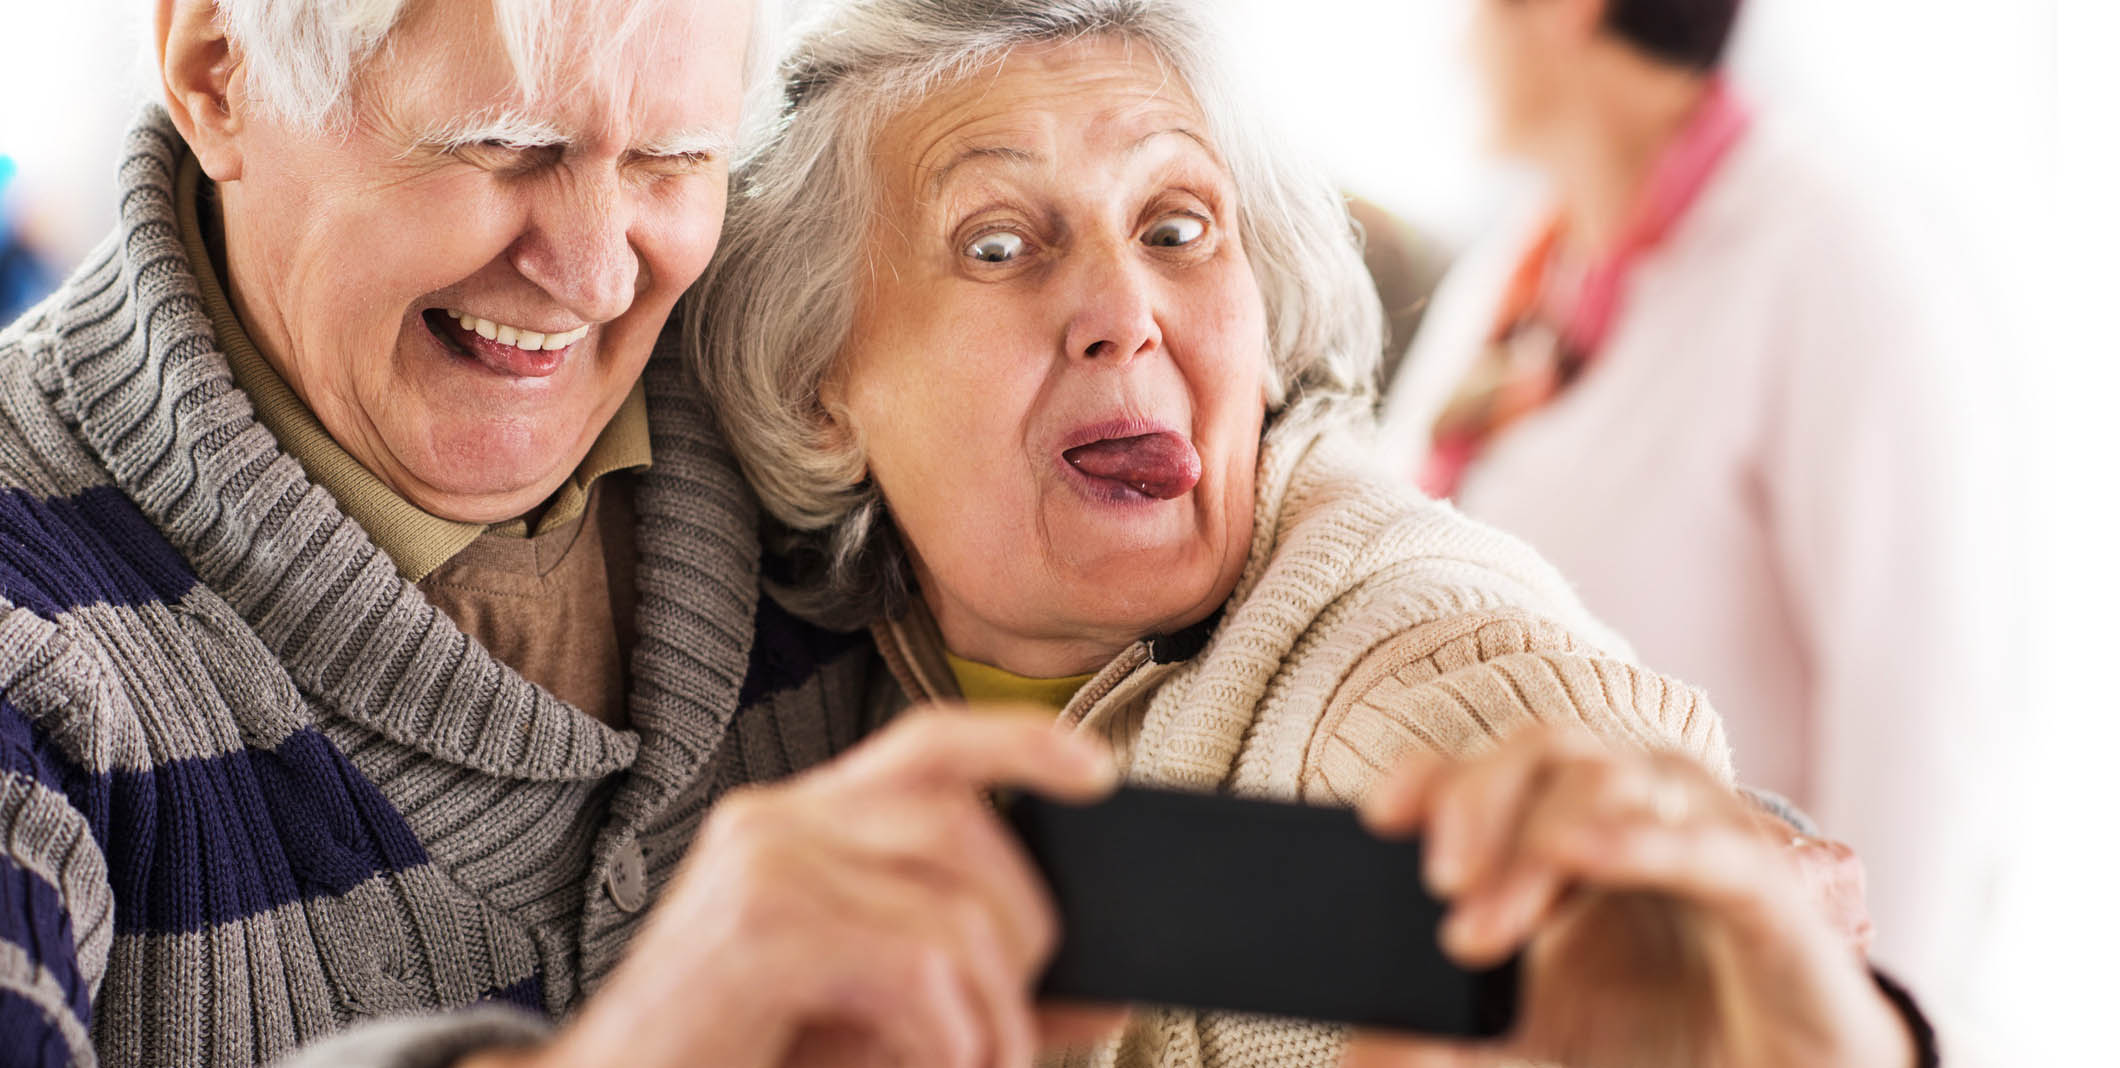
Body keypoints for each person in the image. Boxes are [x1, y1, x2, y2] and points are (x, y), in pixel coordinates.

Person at [691, 1, 1930, 1064]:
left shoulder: (1411, 675)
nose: (1124, 312)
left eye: (1176, 228)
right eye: (1000, 244)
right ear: (818, 385)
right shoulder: (798, 675)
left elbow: (1658, 955)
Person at [0, 1, 1125, 1065]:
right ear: (218, 72)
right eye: (503, 145)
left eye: (671, 159)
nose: (595, 275)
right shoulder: (29, 622)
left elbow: (1235, 390)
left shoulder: (804, 376)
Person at [1373, 0, 1998, 996]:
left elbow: (1916, 737)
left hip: (1714, 1005)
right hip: (1501, 985)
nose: (1450, 37)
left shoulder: (1829, 261)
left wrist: (1862, 1032)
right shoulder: (1523, 267)